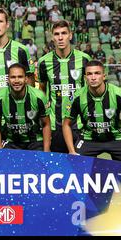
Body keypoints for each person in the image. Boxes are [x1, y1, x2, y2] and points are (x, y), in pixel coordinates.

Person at [63, 60, 121, 164]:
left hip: (117, 138)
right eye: (89, 74)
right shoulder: (77, 97)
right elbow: (66, 124)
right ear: (85, 77)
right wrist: (71, 151)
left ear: (104, 76)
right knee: (75, 165)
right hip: (88, 139)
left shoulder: (117, 94)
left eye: (97, 73)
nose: (93, 77)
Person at [38, 20, 91, 153]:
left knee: (81, 168)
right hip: (55, 126)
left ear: (70, 35)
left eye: (64, 33)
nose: (60, 38)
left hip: (80, 125)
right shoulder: (44, 62)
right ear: (52, 37)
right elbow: (42, 91)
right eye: (56, 34)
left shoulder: (84, 59)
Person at [0, 63, 51, 151]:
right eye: (13, 77)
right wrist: (0, 151)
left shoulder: (39, 97)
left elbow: (46, 124)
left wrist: (46, 151)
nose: (16, 80)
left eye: (20, 77)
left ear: (26, 79)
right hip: (11, 142)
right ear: (8, 79)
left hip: (35, 141)